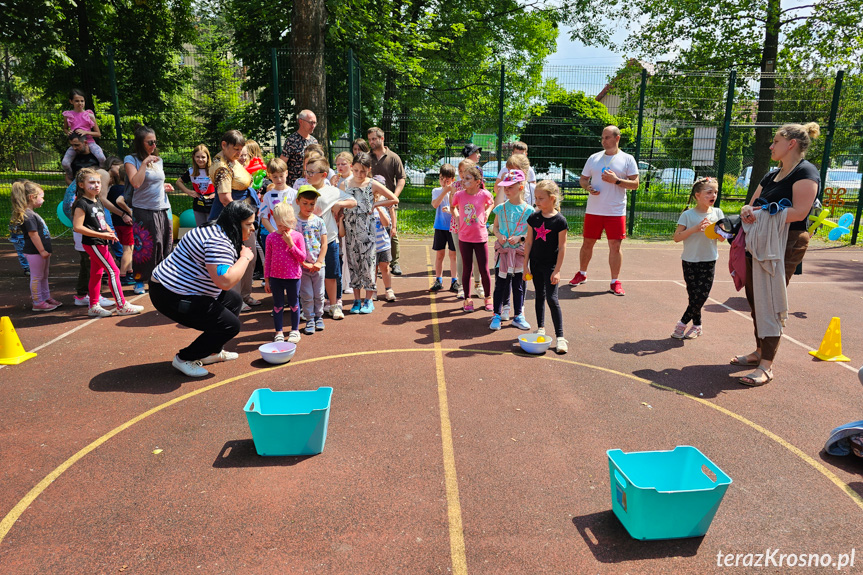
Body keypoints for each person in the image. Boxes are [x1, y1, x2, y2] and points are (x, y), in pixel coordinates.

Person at [733, 123, 821, 387]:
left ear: (791, 143)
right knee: (755, 299)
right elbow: (751, 204)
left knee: (769, 301)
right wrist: (746, 209)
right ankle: (760, 351)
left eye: (775, 141)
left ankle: (766, 366)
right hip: (760, 241)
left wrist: (758, 213)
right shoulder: (771, 175)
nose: (771, 146)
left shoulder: (806, 172)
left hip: (786, 242)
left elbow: (799, 213)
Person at [150, 201, 256, 377]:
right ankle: (184, 358)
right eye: (248, 224)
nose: (253, 228)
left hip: (177, 287)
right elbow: (225, 281)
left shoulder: (215, 228)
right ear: (234, 224)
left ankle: (211, 352)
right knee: (230, 326)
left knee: (234, 301)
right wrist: (245, 258)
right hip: (170, 293)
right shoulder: (218, 242)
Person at [569, 125, 639, 296]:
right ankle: (582, 273)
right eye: (602, 137)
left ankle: (615, 281)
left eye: (607, 137)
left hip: (615, 211)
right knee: (587, 243)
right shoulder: (593, 158)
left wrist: (616, 181)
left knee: (615, 246)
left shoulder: (627, 159)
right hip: (594, 209)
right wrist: (588, 187)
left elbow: (635, 184)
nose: (603, 141)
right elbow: (583, 179)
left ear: (617, 138)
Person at [72, 168, 144, 318]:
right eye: (92, 182)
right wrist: (101, 234)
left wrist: (108, 231)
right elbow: (78, 227)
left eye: (98, 182)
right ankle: (122, 305)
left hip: (101, 241)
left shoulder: (97, 201)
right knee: (114, 271)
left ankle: (93, 306)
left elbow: (101, 221)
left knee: (97, 273)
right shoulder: (82, 204)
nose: (97, 185)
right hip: (93, 242)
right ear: (81, 185)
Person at [209, 130, 260, 311]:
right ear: (224, 145)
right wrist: (242, 221)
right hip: (232, 220)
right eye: (235, 149)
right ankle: (236, 299)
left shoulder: (232, 161)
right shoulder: (221, 167)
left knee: (250, 257)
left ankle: (245, 295)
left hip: (244, 216)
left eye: (241, 149)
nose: (239, 153)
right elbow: (225, 199)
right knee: (236, 259)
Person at [342, 152, 399, 314]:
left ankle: (368, 300)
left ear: (369, 170)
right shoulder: (345, 184)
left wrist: (376, 205)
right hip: (350, 230)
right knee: (354, 265)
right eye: (356, 170)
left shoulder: (372, 184)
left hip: (367, 231)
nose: (359, 174)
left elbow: (394, 199)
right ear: (352, 168)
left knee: (368, 265)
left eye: (363, 171)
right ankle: (356, 300)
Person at [299, 157, 355, 320]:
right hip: (307, 243)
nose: (307, 175)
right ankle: (310, 307)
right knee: (308, 276)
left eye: (311, 172)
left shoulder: (332, 191)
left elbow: (353, 201)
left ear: (323, 175)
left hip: (328, 240)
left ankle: (334, 305)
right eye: (306, 172)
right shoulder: (303, 189)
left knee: (331, 275)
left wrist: (340, 205)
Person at [671, 178, 724, 339]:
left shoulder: (718, 213)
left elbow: (723, 238)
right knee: (693, 295)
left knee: (702, 295)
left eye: (715, 192)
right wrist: (694, 229)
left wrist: (715, 229)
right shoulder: (688, 215)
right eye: (709, 192)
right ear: (698, 195)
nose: (713, 195)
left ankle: (682, 323)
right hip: (689, 260)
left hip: (709, 260)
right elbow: (676, 237)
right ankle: (697, 325)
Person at [125, 125, 174, 295]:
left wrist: (163, 186)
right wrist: (144, 163)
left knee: (165, 246)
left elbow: (155, 182)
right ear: (140, 143)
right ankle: (139, 280)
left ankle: (162, 279)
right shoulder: (131, 160)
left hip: (163, 208)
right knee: (145, 247)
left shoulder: (158, 160)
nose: (154, 146)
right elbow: (136, 183)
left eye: (155, 142)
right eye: (149, 142)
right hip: (143, 210)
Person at [524, 181, 569, 354]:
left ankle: (560, 337)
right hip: (535, 264)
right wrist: (525, 265)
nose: (537, 201)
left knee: (552, 298)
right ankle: (541, 328)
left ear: (552, 198)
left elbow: (563, 247)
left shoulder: (560, 221)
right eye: (536, 198)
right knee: (539, 296)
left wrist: (557, 270)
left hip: (550, 266)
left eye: (541, 198)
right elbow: (528, 242)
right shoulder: (533, 218)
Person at [490, 169, 533, 331]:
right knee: (500, 285)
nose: (506, 190)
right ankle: (496, 315)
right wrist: (499, 234)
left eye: (510, 187)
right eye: (505, 187)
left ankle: (519, 316)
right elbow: (495, 227)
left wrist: (520, 238)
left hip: (520, 255)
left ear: (521, 187)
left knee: (518, 286)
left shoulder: (529, 210)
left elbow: (531, 233)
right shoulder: (500, 208)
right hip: (503, 253)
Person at [10, 180, 60, 311]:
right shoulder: (29, 216)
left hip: (40, 252)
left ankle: (45, 297)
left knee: (44, 275)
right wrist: (42, 250)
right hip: (35, 252)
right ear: (32, 197)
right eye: (41, 197)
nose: (43, 200)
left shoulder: (32, 214)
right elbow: (33, 235)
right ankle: (38, 301)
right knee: (37, 277)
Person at [451, 163, 494, 313]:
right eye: (463, 178)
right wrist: (457, 217)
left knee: (483, 269)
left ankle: (488, 297)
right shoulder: (459, 195)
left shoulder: (484, 194)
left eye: (468, 178)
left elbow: (491, 203)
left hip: (480, 237)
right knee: (466, 268)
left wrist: (487, 213)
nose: (464, 180)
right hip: (464, 237)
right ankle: (467, 299)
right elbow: (452, 207)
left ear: (477, 182)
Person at [367, 127, 407, 276]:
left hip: (388, 202)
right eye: (369, 139)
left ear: (382, 139)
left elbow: (401, 178)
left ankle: (394, 263)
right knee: (372, 231)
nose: (371, 142)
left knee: (392, 232)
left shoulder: (393, 157)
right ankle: (375, 262)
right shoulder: (366, 157)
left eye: (373, 139)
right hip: (370, 202)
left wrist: (393, 197)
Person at [264, 202, 306, 344]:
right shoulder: (271, 238)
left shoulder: (297, 236)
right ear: (274, 222)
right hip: (276, 278)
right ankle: (279, 331)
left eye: (286, 225)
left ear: (292, 221)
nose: (282, 229)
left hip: (293, 277)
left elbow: (302, 258)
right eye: (279, 225)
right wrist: (267, 279)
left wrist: (291, 244)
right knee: (278, 305)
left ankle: (295, 330)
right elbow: (268, 259)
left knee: (294, 304)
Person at [445, 159, 484, 299]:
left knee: (476, 257)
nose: (462, 174)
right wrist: (458, 218)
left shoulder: (479, 187)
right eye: (460, 171)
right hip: (458, 227)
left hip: (475, 227)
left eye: (466, 171)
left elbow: (485, 205)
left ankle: (478, 284)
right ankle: (461, 286)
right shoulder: (456, 186)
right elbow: (452, 206)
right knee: (461, 256)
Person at [295, 185, 328, 334]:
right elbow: (291, 247)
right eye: (305, 203)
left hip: (318, 266)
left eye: (312, 204)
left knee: (319, 294)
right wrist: (303, 263)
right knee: (307, 295)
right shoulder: (293, 223)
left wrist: (319, 262)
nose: (309, 207)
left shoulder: (319, 221)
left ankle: (318, 317)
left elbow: (324, 243)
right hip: (302, 267)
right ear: (297, 202)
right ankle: (309, 319)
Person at [61, 89, 105, 185]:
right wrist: (68, 132)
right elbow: (65, 128)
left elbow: (98, 133)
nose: (80, 103)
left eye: (82, 101)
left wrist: (86, 132)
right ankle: (72, 178)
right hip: (76, 143)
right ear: (71, 101)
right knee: (65, 163)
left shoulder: (89, 115)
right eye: (77, 101)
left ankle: (100, 175)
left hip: (90, 142)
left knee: (101, 158)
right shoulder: (68, 115)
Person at [430, 163, 458, 293]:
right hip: (440, 227)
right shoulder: (436, 191)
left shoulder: (457, 191)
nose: (443, 182)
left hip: (453, 227)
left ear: (453, 179)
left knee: (453, 254)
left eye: (447, 180)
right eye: (441, 178)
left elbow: (458, 208)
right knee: (439, 254)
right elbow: (435, 205)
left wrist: (451, 210)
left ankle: (454, 281)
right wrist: (444, 191)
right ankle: (438, 280)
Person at [106, 163, 135, 285]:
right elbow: (120, 201)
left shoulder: (113, 188)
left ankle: (129, 271)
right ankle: (123, 275)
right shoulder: (126, 190)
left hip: (117, 222)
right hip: (127, 223)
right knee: (127, 249)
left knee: (128, 248)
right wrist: (129, 211)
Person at [176, 145, 215, 227]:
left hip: (213, 206)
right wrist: (189, 192)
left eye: (203, 157)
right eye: (197, 157)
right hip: (198, 206)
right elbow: (178, 182)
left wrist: (216, 194)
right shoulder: (191, 171)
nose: (200, 159)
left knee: (211, 230)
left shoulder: (214, 169)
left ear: (208, 157)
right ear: (194, 157)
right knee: (200, 229)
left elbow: (223, 184)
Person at [280, 109, 319, 186]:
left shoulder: (314, 141)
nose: (313, 126)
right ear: (301, 121)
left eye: (315, 123)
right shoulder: (291, 140)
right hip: (294, 185)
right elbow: (282, 163)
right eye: (311, 122)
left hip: (311, 183)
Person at [494, 141, 537, 206]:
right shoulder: (506, 188)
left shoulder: (530, 188)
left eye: (521, 154)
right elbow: (498, 206)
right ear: (512, 153)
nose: (511, 173)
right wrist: (504, 185)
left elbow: (536, 195)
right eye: (510, 170)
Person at [373, 187, 396, 302]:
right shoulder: (365, 210)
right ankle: (373, 290)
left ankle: (388, 290)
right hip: (371, 246)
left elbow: (386, 223)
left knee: (385, 267)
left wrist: (378, 208)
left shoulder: (381, 208)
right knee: (373, 269)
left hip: (383, 244)